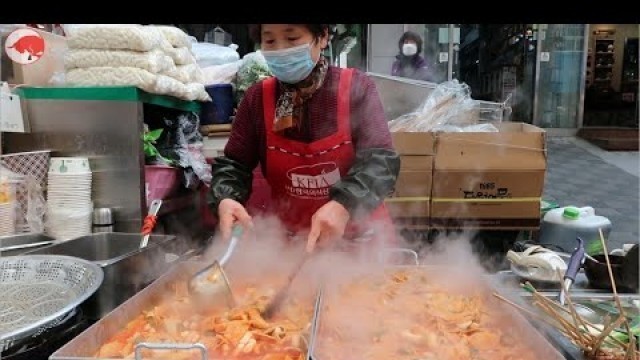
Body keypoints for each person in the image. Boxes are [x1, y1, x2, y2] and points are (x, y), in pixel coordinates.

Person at [208, 24, 400, 253]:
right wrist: (226, 197)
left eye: (292, 38)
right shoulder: (257, 99)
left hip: (362, 246)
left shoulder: (358, 88)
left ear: (322, 37)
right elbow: (234, 165)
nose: (280, 49)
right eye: (269, 41)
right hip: (295, 248)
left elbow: (380, 161)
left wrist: (345, 204)